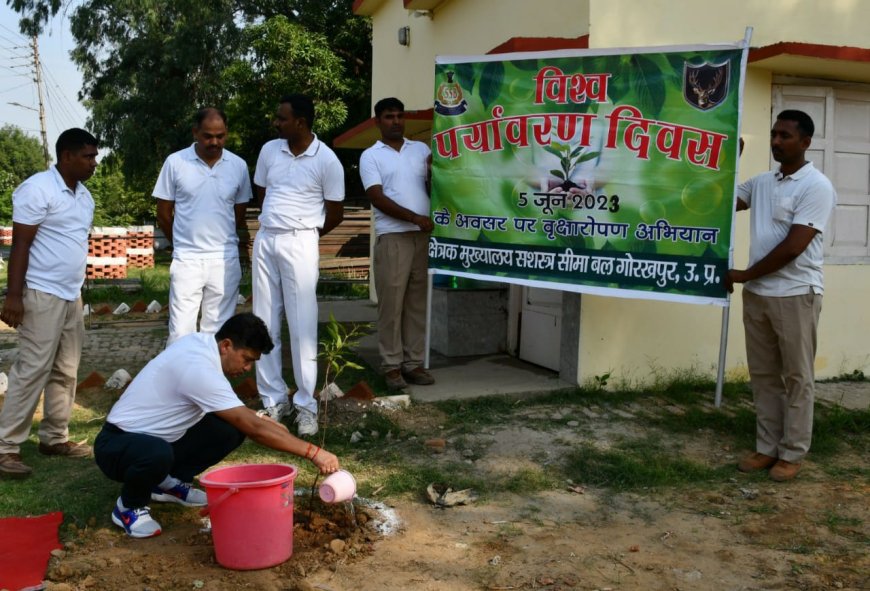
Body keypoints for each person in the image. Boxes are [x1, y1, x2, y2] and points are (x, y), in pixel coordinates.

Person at [94, 313, 340, 538]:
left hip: (153, 438)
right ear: (226, 346)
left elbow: (242, 416)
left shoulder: (203, 346)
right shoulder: (198, 368)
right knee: (158, 453)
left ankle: (166, 483)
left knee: (228, 430)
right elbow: (253, 428)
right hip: (117, 444)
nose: (246, 368)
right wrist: (314, 453)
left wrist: (264, 421)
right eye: (246, 359)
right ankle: (129, 506)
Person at [725, 109, 836, 482]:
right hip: (758, 294)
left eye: (785, 136)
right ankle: (766, 447)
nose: (776, 141)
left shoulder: (816, 186)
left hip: (794, 294)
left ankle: (792, 452)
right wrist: (729, 158)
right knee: (764, 376)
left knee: (796, 376)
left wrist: (743, 274)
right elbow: (721, 202)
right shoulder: (762, 182)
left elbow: (793, 247)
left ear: (805, 142)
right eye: (773, 134)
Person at [0, 128, 98, 479]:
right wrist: (13, 296)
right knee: (32, 369)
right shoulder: (37, 189)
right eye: (88, 156)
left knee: (67, 369)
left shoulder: (84, 197)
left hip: (72, 294)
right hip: (40, 292)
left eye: (95, 156)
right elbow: (21, 245)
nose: (94, 163)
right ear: (67, 155)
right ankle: (6, 448)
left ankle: (54, 438)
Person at [251, 94, 345, 436]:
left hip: (302, 240)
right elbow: (262, 192)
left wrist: (306, 231)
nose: (277, 123)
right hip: (267, 237)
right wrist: (275, 221)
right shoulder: (268, 151)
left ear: (301, 123)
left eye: (282, 118)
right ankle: (274, 400)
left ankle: (306, 405)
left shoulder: (327, 160)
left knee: (302, 322)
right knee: (263, 320)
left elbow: (335, 212)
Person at [154, 107, 252, 346]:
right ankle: (180, 383)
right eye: (208, 136)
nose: (215, 142)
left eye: (220, 136)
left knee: (219, 334)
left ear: (226, 133)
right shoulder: (175, 162)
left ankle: (210, 382)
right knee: (180, 332)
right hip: (187, 259)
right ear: (195, 132)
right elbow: (164, 214)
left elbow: (238, 214)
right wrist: (182, 245)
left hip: (224, 260)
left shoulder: (238, 166)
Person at [359, 97, 435, 390]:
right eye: (389, 116)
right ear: (378, 121)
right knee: (391, 306)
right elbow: (376, 197)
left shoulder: (421, 150)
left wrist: (433, 172)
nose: (397, 121)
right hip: (393, 237)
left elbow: (430, 188)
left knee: (417, 303)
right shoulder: (371, 156)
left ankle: (413, 363)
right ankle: (391, 366)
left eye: (400, 116)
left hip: (422, 236)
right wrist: (414, 217)